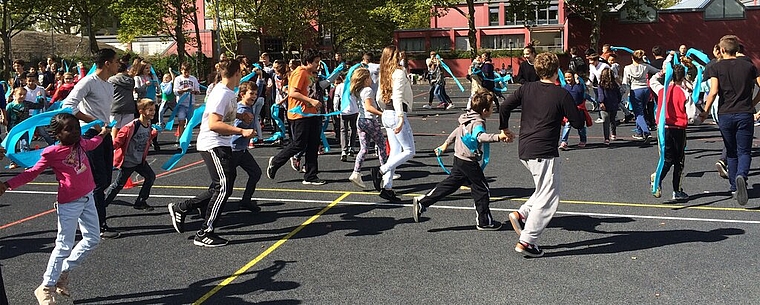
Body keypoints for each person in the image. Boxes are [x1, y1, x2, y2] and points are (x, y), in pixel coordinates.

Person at [0, 113, 107, 305]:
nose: (75, 132)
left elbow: (94, 142)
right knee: (64, 245)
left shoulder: (81, 143)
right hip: (69, 203)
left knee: (93, 238)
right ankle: (46, 287)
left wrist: (103, 133)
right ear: (57, 134)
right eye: (69, 129)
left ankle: (63, 271)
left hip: (88, 197)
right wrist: (8, 184)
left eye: (76, 127)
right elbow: (32, 173)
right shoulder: (51, 153)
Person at [499, 52, 584, 258]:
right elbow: (578, 122)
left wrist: (504, 128)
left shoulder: (526, 88)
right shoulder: (561, 94)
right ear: (556, 71)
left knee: (544, 188)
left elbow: (504, 106)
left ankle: (522, 214)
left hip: (525, 148)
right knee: (549, 197)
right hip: (543, 150)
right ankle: (527, 240)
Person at [167, 58, 255, 247]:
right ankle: (204, 232)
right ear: (236, 74)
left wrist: (240, 115)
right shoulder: (222, 93)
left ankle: (182, 208)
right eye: (241, 72)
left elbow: (220, 115)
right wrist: (241, 131)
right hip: (212, 143)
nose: (242, 75)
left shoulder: (229, 93)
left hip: (222, 144)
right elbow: (214, 124)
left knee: (223, 185)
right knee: (223, 187)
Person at [412, 89, 507, 230]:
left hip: (459, 158)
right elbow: (480, 136)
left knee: (451, 185)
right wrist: (498, 137)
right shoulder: (478, 122)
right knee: (482, 189)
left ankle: (423, 202)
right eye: (492, 107)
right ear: (485, 110)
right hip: (468, 161)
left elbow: (457, 131)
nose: (493, 109)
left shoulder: (467, 117)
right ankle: (484, 221)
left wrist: (445, 144)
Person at [62, 48, 122, 239]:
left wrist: (108, 128)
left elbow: (106, 112)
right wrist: (94, 123)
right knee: (97, 181)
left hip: (103, 134)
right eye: (116, 61)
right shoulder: (89, 82)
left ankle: (81, 210)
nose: (118, 65)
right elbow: (68, 106)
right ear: (107, 63)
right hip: (89, 134)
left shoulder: (109, 85)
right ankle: (99, 225)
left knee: (104, 180)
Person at [700, 35, 760, 206]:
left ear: (722, 50)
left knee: (731, 151)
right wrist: (753, 102)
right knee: (744, 151)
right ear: (738, 49)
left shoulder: (716, 67)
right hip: (745, 113)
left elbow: (713, 92)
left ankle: (734, 185)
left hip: (725, 113)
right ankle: (742, 175)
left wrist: (704, 112)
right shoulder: (749, 66)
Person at [266, 49, 327, 185]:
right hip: (299, 114)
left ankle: (311, 175)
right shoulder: (300, 72)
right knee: (298, 144)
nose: (318, 64)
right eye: (316, 62)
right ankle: (276, 161)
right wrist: (311, 101)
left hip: (312, 113)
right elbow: (293, 92)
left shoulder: (310, 73)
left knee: (313, 144)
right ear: (307, 62)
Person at [370, 45, 416, 202]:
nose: (400, 55)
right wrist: (401, 117)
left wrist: (384, 111)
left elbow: (378, 97)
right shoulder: (398, 72)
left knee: (395, 151)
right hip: (396, 114)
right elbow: (397, 97)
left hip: (387, 114)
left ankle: (387, 187)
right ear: (394, 56)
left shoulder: (385, 72)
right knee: (410, 151)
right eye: (397, 54)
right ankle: (381, 170)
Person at [104, 98, 158, 211]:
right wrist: (108, 151)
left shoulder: (148, 125)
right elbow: (118, 142)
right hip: (128, 161)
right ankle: (102, 205)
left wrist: (152, 134)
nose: (153, 112)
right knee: (118, 185)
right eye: (150, 110)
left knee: (150, 176)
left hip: (139, 160)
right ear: (141, 111)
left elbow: (145, 140)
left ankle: (140, 201)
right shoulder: (131, 127)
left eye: (154, 110)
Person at [649, 63, 691, 201]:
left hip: (664, 129)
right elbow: (691, 115)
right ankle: (677, 190)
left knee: (667, 158)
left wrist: (661, 72)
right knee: (679, 160)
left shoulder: (662, 90)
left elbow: (652, 81)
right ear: (683, 77)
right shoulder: (685, 93)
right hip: (678, 129)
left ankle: (658, 178)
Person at [347, 68, 387, 188]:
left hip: (360, 121)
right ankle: (386, 171)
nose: (371, 80)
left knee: (364, 148)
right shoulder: (368, 90)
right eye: (369, 77)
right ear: (365, 79)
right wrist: (382, 114)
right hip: (370, 120)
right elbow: (369, 107)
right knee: (382, 145)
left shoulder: (358, 90)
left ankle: (356, 172)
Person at [231, 81, 262, 212]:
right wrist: (246, 133)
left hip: (241, 150)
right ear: (242, 94)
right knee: (225, 181)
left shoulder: (248, 106)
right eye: (251, 93)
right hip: (233, 150)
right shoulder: (241, 110)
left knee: (255, 172)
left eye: (255, 94)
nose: (254, 96)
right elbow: (233, 129)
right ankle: (202, 204)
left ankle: (246, 201)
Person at [623, 50, 660, 141]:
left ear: (632, 58)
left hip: (635, 90)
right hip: (646, 90)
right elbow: (657, 71)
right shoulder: (645, 66)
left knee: (638, 113)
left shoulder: (627, 68)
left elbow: (625, 82)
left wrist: (624, 91)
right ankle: (639, 132)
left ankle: (646, 132)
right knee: (641, 111)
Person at [559, 71, 588, 149]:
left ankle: (583, 139)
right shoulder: (565, 87)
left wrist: (578, 82)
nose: (568, 79)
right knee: (567, 125)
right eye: (566, 77)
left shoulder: (579, 86)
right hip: (569, 109)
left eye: (569, 77)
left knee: (580, 126)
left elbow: (581, 93)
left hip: (579, 109)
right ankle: (564, 141)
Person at [173, 62, 201, 143]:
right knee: (181, 122)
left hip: (190, 104)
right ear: (181, 70)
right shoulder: (178, 79)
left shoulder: (193, 79)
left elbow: (197, 90)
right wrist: (183, 90)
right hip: (181, 104)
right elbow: (175, 91)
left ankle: (187, 139)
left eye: (188, 72)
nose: (186, 74)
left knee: (189, 124)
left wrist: (194, 91)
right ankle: (182, 139)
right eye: (185, 72)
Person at [108, 63, 136, 140]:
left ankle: (114, 144)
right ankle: (124, 145)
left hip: (115, 106)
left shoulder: (111, 80)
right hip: (128, 106)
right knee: (126, 128)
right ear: (125, 70)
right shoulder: (131, 80)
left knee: (114, 127)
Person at [334, 75, 359, 161]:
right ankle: (352, 147)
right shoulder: (354, 85)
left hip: (344, 110)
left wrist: (336, 109)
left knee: (343, 130)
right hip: (354, 110)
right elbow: (358, 98)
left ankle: (344, 150)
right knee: (353, 128)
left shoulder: (340, 86)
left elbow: (336, 98)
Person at [597, 68, 621, 145]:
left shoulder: (601, 85)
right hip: (613, 104)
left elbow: (601, 95)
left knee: (605, 122)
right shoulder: (615, 85)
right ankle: (613, 134)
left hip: (605, 105)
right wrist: (618, 101)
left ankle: (606, 138)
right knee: (612, 120)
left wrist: (601, 102)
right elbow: (619, 95)